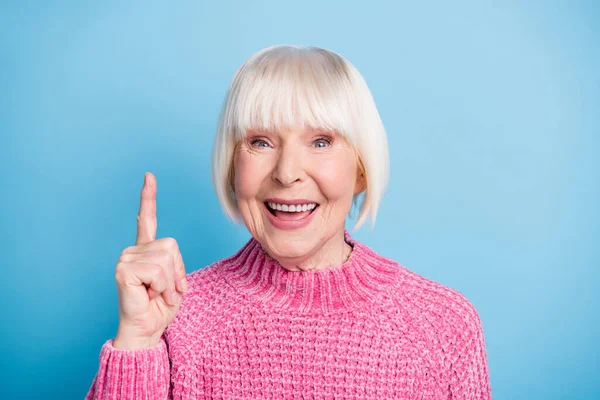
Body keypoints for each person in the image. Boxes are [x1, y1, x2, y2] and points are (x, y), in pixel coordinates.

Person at [85, 44, 492, 399]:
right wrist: (137, 342)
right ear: (232, 167)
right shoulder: (174, 317)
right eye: (260, 142)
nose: (286, 172)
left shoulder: (442, 327)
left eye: (321, 142)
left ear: (362, 169)